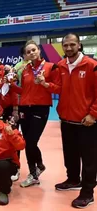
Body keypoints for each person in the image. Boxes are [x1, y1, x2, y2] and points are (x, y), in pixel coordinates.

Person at [52, 33, 97, 209]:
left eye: (72, 44)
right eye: (65, 45)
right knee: (70, 155)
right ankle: (72, 179)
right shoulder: (61, 66)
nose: (69, 48)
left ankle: (87, 193)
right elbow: (59, 88)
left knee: (89, 160)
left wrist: (93, 114)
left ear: (79, 45)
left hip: (87, 122)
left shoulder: (92, 66)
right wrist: (45, 85)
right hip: (67, 119)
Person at [9, 40, 60, 188]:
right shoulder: (25, 70)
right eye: (28, 52)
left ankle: (35, 171)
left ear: (39, 50)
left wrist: (45, 84)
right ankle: (36, 170)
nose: (31, 53)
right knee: (27, 142)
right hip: (25, 108)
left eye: (33, 50)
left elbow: (58, 89)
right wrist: (11, 85)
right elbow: (23, 91)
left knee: (31, 142)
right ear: (25, 55)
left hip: (40, 108)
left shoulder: (50, 67)